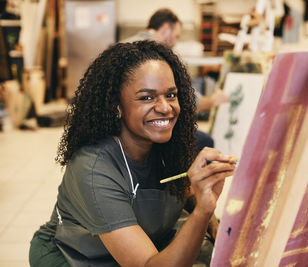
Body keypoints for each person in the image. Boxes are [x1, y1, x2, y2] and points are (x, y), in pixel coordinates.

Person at [29, 40, 236, 266]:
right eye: (146, 97)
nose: (165, 108)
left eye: (171, 95)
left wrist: (210, 217)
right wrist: (202, 212)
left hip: (142, 248)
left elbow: (184, 192)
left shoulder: (170, 145)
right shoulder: (93, 167)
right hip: (76, 257)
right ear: (116, 106)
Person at [121, 8, 229, 153]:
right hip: (139, 131)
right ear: (165, 29)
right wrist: (212, 101)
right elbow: (190, 100)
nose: (175, 42)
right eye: (176, 36)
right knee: (204, 140)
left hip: (122, 128)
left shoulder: (122, 46)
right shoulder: (156, 55)